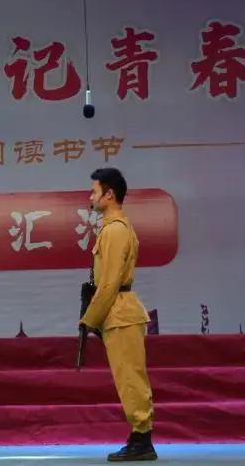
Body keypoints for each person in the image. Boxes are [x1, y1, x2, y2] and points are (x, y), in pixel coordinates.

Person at [79, 168, 158, 462]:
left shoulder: (115, 230)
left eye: (94, 191)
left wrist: (89, 319)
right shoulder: (114, 228)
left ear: (109, 194)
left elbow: (109, 283)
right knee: (128, 377)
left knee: (130, 378)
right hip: (118, 311)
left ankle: (142, 439)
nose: (91, 197)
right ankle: (139, 437)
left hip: (120, 312)